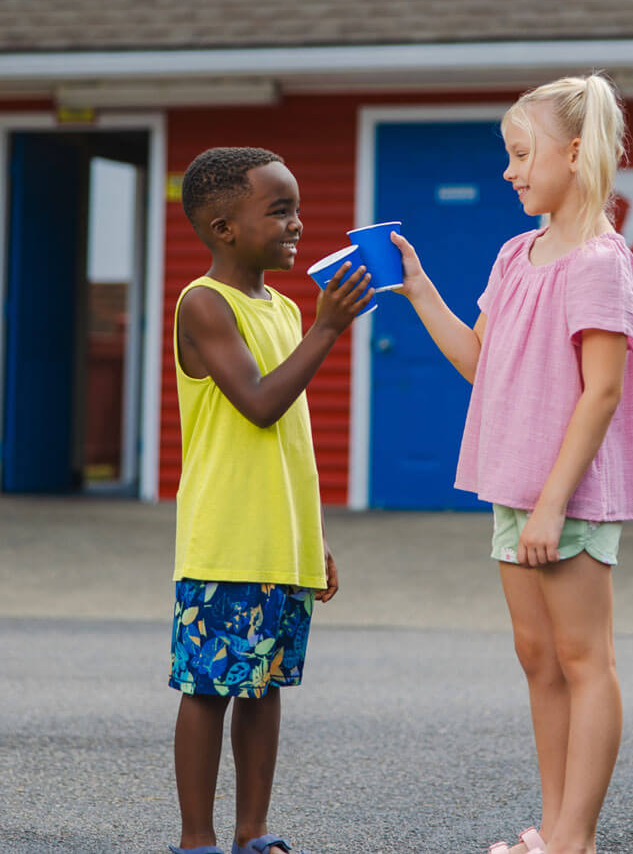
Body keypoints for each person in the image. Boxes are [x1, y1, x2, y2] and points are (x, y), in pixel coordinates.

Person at [391, 74, 633, 854]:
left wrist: (550, 504)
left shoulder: (603, 262)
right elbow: (482, 362)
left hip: (564, 496)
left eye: (520, 154)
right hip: (511, 484)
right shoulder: (514, 254)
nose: (509, 171)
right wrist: (417, 288)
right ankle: (554, 827)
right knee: (538, 658)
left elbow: (602, 392)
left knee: (584, 659)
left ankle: (575, 839)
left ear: (574, 154)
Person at [167, 147, 373, 854]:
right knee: (210, 689)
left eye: (295, 207)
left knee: (264, 688)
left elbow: (289, 441)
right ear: (223, 228)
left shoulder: (283, 306)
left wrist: (309, 537)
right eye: (279, 209)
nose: (298, 223)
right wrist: (329, 329)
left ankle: (253, 834)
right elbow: (258, 404)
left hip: (278, 541)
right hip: (224, 540)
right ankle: (197, 841)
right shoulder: (204, 304)